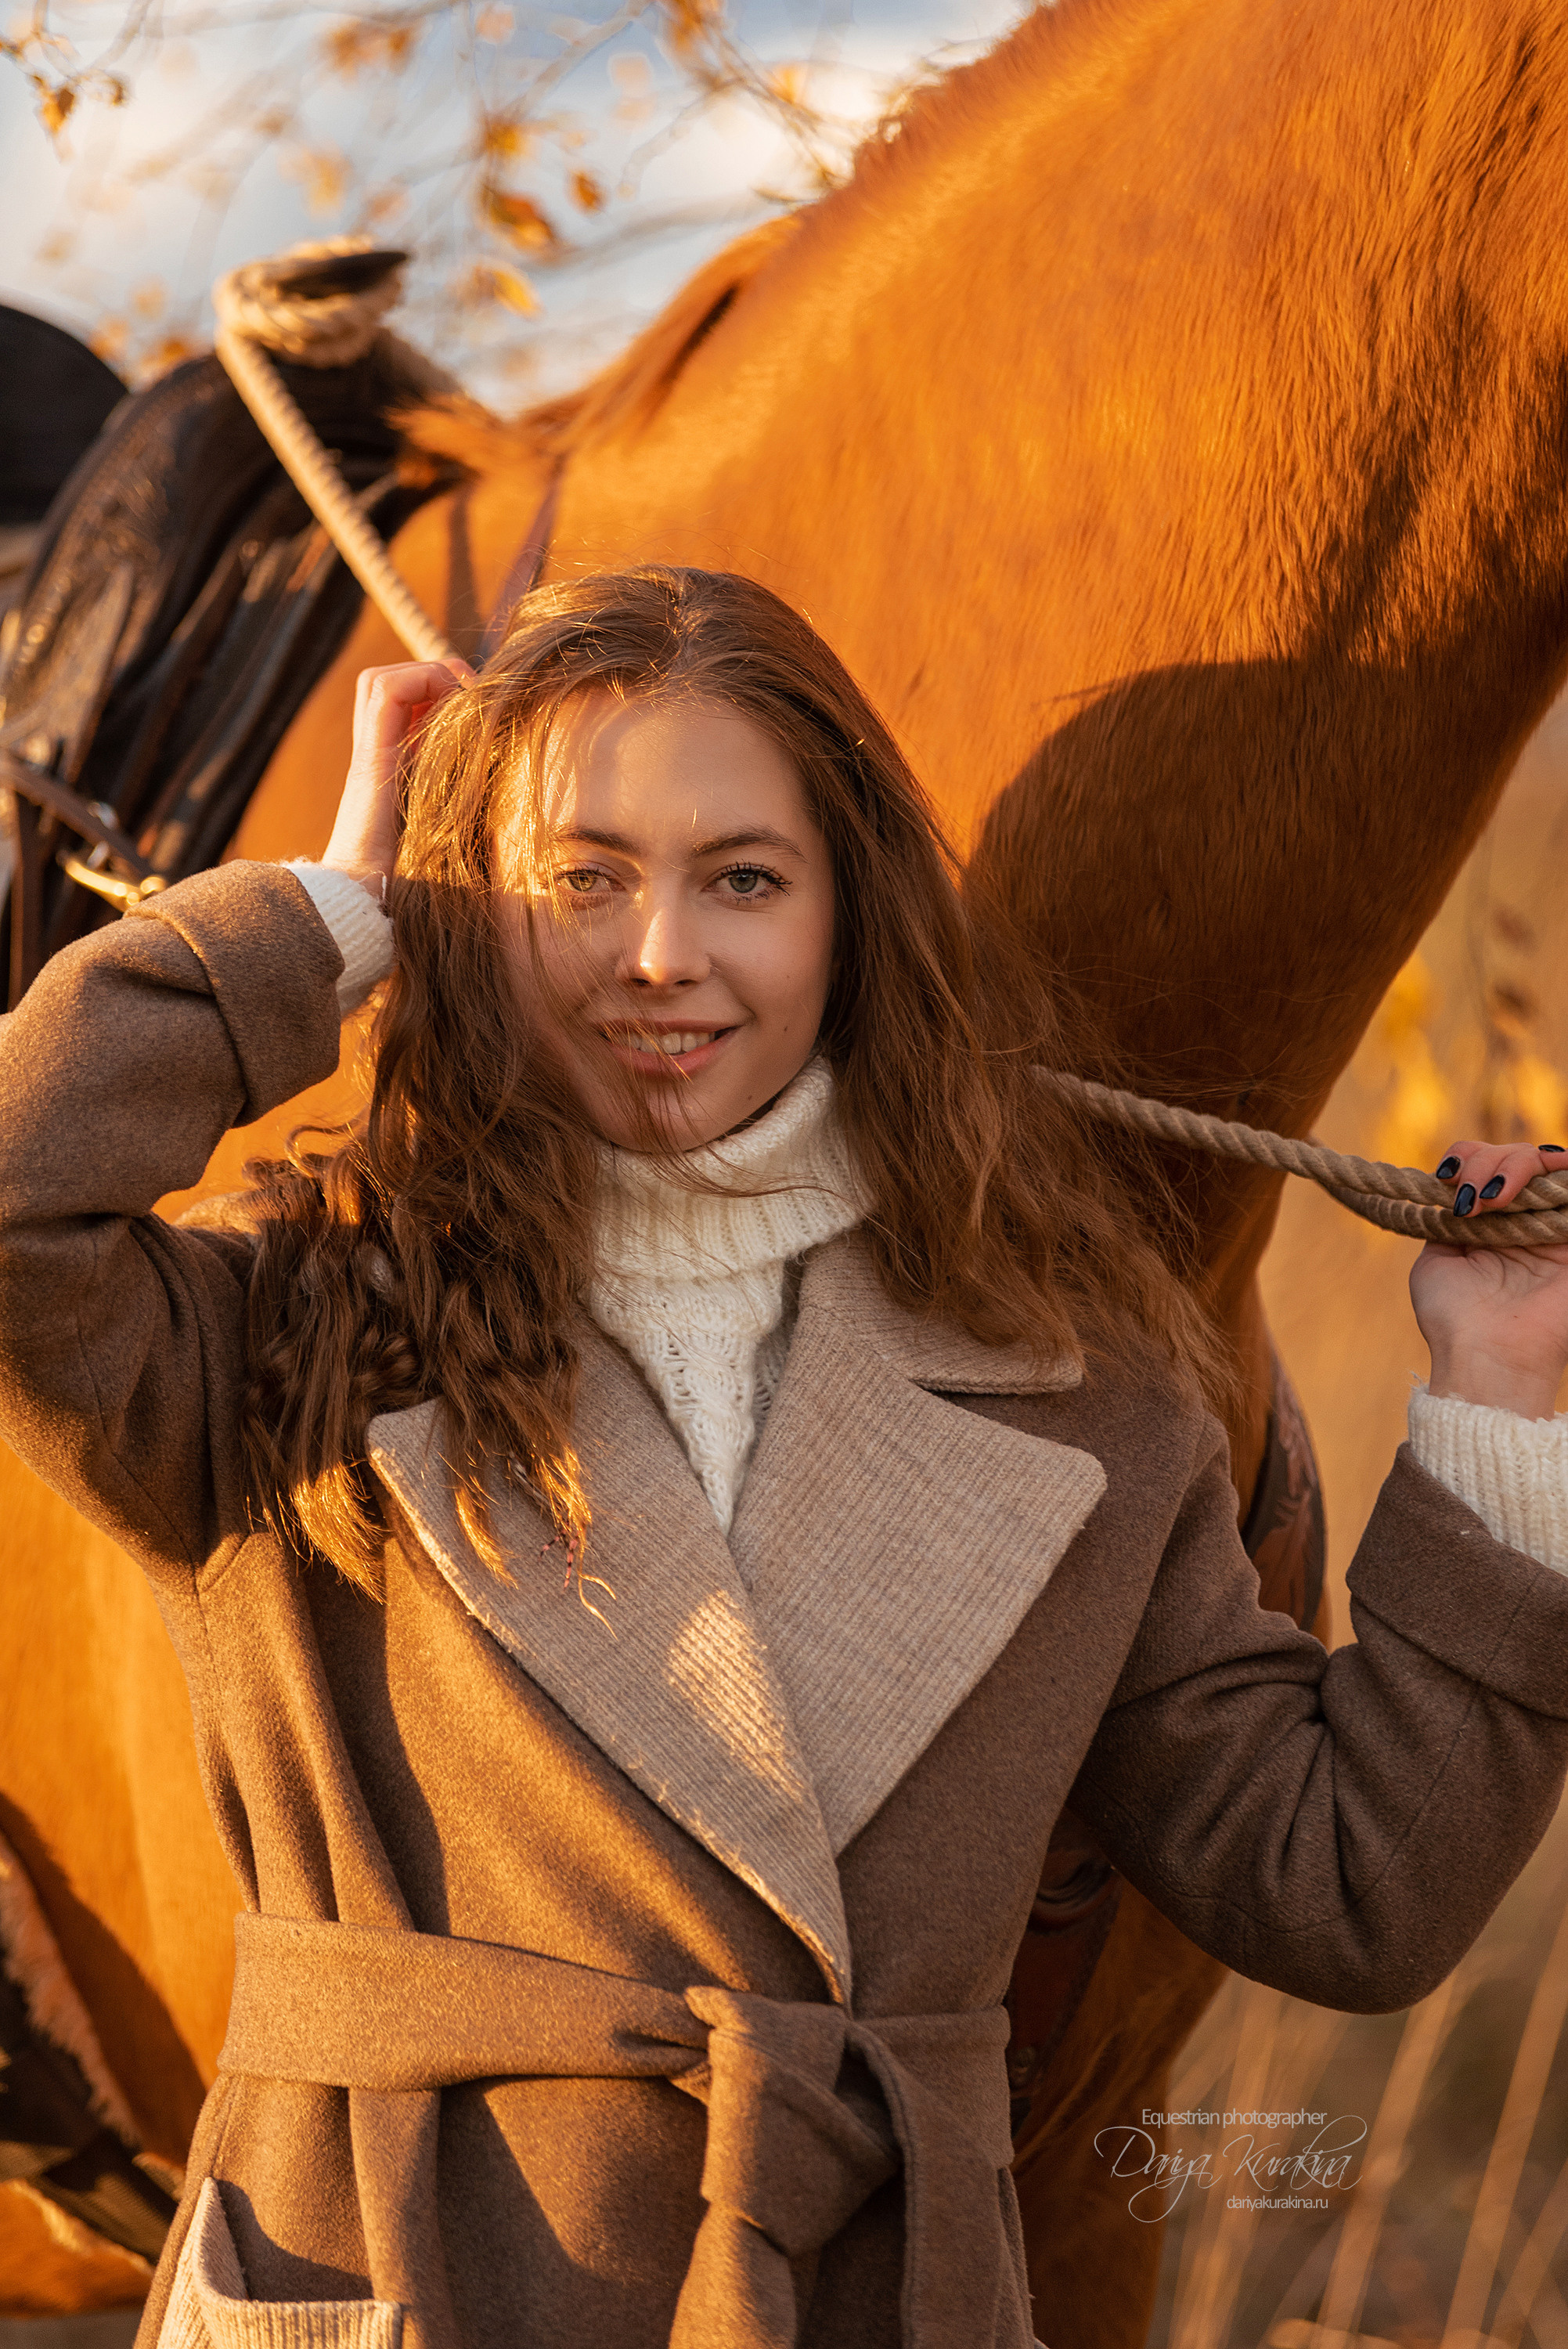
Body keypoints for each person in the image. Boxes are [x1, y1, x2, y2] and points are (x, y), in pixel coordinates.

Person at [2, 565, 1568, 2349]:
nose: (661, 953)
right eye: (579, 878)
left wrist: (1502, 1408)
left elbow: (1353, 1888)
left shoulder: (1079, 1387)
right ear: (469, 908)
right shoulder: (293, 1318)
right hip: (387, 2277)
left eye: (743, 879)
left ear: (848, 918)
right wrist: (332, 911)